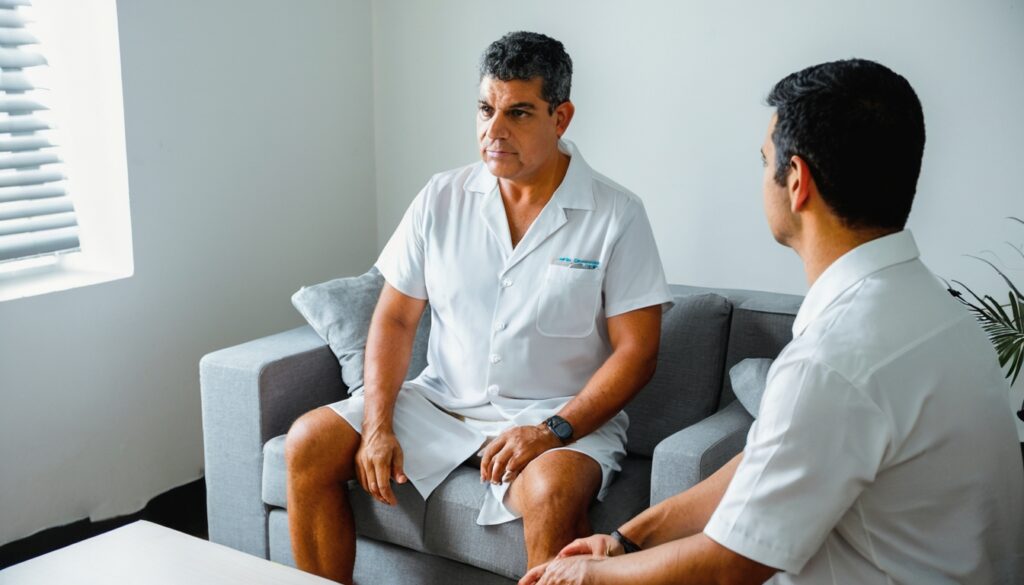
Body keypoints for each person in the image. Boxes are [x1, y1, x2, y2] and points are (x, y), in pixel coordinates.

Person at [521, 59, 1024, 585]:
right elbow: (763, 464)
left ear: (797, 181)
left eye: (765, 161)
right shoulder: (938, 311)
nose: (762, 177)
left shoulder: (830, 361)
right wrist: (627, 539)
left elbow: (727, 566)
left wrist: (586, 576)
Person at [284, 31, 673, 584]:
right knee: (307, 442)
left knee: (553, 490)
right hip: (441, 404)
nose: (494, 131)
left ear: (560, 117)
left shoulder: (617, 215)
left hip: (558, 416)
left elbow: (638, 353)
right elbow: (395, 318)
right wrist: (377, 424)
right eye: (486, 109)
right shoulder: (440, 197)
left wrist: (552, 430)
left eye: (519, 113)